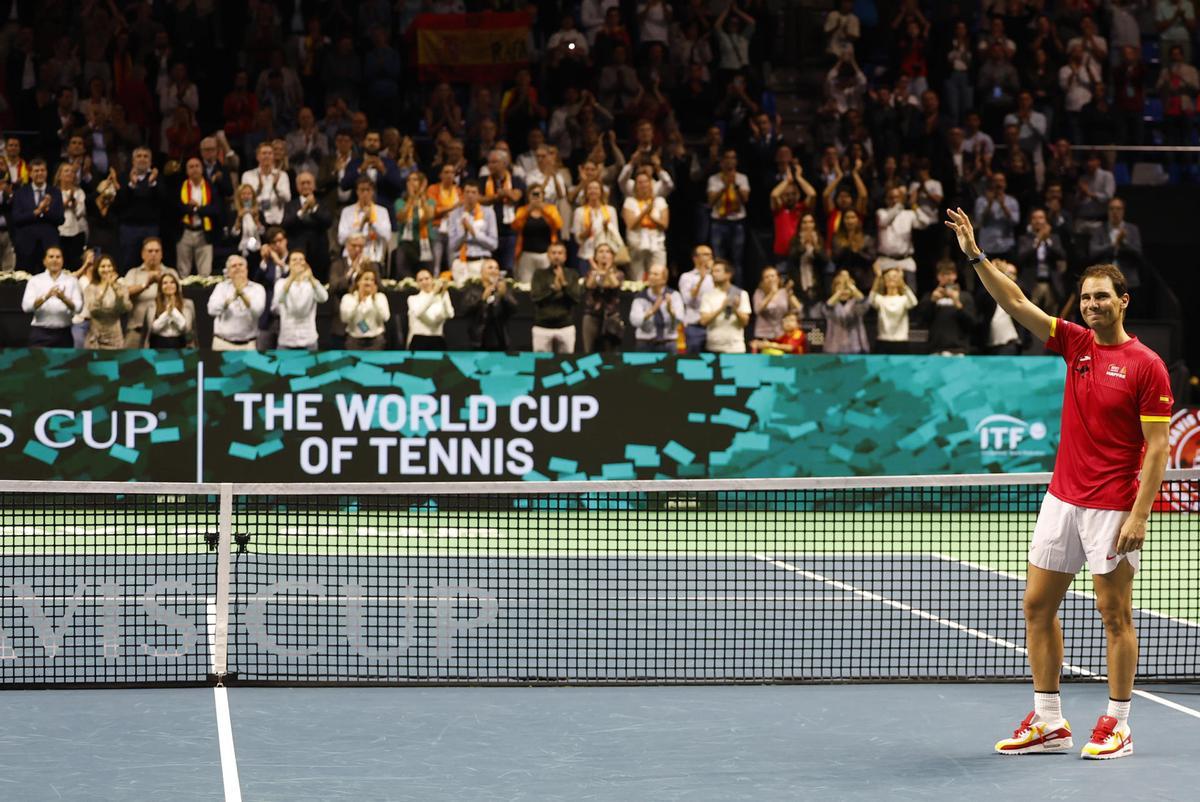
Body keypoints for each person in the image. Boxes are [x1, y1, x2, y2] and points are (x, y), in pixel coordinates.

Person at [946, 207, 1171, 760]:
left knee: (1114, 616)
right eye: (1086, 297)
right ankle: (1049, 721)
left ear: (1123, 301)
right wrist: (975, 256)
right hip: (1061, 500)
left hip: (1113, 506)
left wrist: (1140, 514)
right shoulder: (1076, 344)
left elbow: (1160, 448)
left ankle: (1117, 723)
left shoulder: (1147, 366)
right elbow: (1016, 301)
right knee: (1036, 605)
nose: (1092, 305)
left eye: (1102, 296)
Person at [123, 238, 180, 349]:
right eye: (150, 251)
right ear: (142, 254)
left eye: (157, 251)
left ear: (162, 254)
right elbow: (126, 293)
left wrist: (163, 283)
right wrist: (146, 284)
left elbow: (178, 298)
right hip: (136, 332)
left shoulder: (171, 273)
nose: (153, 254)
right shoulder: (133, 273)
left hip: (163, 334)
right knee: (130, 365)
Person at [21, 246, 82, 347]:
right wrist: (46, 297)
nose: (55, 260)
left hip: (64, 333)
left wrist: (64, 298)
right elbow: (26, 307)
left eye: (58, 257)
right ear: (44, 261)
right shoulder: (35, 280)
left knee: (66, 363)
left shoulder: (72, 281)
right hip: (40, 333)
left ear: (62, 260)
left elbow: (78, 309)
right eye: (51, 257)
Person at [706, 150, 751, 284]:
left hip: (737, 222)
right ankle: (719, 289)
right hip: (718, 222)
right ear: (721, 162)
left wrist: (735, 186)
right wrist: (725, 187)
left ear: (736, 161)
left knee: (737, 261)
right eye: (727, 158)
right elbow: (711, 202)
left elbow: (745, 199)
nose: (730, 161)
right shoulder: (714, 179)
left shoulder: (742, 178)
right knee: (719, 259)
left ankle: (737, 292)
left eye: (733, 158)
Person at [531, 241, 582, 353]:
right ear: (548, 255)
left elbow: (576, 299)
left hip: (565, 326)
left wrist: (564, 285)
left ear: (565, 256)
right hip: (542, 326)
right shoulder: (539, 274)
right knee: (541, 363)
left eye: (560, 253)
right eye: (553, 253)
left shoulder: (572, 274)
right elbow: (536, 297)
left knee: (566, 363)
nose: (556, 256)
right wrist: (553, 290)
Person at [12, 158, 64, 270]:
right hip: (26, 245)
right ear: (30, 173)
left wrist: (46, 211)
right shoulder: (20, 192)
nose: (40, 173)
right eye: (36, 171)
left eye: (42, 170)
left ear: (46, 172)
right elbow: (16, 218)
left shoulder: (55, 192)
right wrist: (36, 212)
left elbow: (60, 219)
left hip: (49, 245)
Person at [207, 255, 266, 351]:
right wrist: (229, 301)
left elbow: (258, 311)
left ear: (246, 269)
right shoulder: (221, 287)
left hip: (248, 345)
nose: (238, 268)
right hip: (222, 344)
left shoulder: (257, 288)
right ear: (228, 272)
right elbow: (212, 310)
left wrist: (242, 294)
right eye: (234, 266)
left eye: (241, 265)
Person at [915, 262, 977, 355]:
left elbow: (972, 323)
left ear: (955, 275)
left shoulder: (965, 297)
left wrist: (958, 304)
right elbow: (921, 321)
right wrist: (931, 302)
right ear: (938, 277)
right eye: (943, 274)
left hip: (959, 350)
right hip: (935, 350)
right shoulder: (929, 297)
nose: (947, 277)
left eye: (949, 274)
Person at [272, 250, 328, 351]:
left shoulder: (312, 283)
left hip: (309, 340)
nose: (298, 262)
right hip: (287, 340)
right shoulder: (281, 283)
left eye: (301, 259)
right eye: (294, 260)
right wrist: (292, 277)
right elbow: (278, 301)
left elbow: (324, 297)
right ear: (289, 264)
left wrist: (311, 278)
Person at [175, 157, 221, 278]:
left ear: (202, 169)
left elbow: (217, 209)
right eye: (191, 167)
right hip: (185, 231)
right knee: (183, 272)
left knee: (205, 272)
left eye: (197, 166)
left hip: (204, 232)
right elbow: (175, 208)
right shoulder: (179, 186)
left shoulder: (210, 187)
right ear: (186, 171)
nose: (194, 169)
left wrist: (197, 208)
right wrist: (190, 208)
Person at [459, 258, 518, 350]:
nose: (494, 271)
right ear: (482, 272)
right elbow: (464, 310)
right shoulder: (473, 290)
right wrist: (482, 298)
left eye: (496, 268)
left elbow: (514, 309)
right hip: (478, 340)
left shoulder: (503, 290)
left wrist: (504, 296)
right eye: (490, 268)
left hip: (500, 341)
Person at [447, 179, 499, 284]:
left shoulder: (489, 213)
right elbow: (452, 246)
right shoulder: (454, 215)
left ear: (479, 195)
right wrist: (464, 233)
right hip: (461, 263)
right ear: (462, 194)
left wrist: (474, 233)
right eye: (467, 192)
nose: (470, 195)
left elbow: (494, 244)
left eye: (474, 192)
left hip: (481, 262)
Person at [621, 172, 669, 282]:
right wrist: (645, 212)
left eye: (646, 182)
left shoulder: (660, 201)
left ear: (650, 184)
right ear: (635, 186)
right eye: (639, 182)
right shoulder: (629, 202)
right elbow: (631, 224)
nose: (643, 185)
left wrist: (651, 217)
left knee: (659, 275)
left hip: (657, 244)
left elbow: (664, 225)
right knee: (638, 279)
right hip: (636, 245)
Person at [511, 185, 563, 284]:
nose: (536, 197)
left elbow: (558, 224)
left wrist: (544, 209)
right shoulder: (522, 210)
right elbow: (515, 226)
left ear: (543, 196)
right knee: (525, 284)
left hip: (546, 254)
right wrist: (528, 210)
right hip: (526, 254)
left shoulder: (550, 209)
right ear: (528, 196)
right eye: (533, 194)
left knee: (547, 283)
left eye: (538, 194)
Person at [581, 242, 626, 354]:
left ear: (612, 256)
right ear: (595, 256)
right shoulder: (590, 273)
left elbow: (614, 284)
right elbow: (589, 285)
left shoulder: (618, 274)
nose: (604, 254)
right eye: (601, 251)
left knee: (611, 352)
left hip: (611, 317)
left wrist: (608, 270)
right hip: (592, 316)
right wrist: (597, 271)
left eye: (607, 252)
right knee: (590, 351)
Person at [699, 258, 751, 354]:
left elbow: (745, 322)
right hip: (713, 347)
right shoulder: (708, 295)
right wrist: (721, 308)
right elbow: (703, 321)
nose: (713, 274)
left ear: (728, 274)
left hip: (736, 348)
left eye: (717, 271)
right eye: (712, 271)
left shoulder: (741, 294)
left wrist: (735, 309)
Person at [338, 176, 392, 266]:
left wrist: (373, 222)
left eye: (368, 190)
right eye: (362, 190)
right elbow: (341, 239)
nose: (365, 193)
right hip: (351, 257)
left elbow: (387, 237)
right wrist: (362, 225)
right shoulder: (347, 211)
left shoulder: (382, 211)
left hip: (374, 257)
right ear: (357, 192)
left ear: (373, 192)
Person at [630, 263, 684, 353]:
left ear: (664, 279)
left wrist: (671, 311)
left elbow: (680, 319)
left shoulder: (673, 295)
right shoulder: (640, 297)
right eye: (650, 273)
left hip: (668, 344)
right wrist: (652, 311)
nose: (651, 277)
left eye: (655, 274)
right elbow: (635, 321)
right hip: (645, 344)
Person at [393, 171, 436, 280]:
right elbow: (401, 217)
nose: (411, 183)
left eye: (415, 180)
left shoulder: (430, 201)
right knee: (404, 277)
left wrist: (421, 196)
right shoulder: (400, 202)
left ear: (421, 183)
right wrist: (411, 199)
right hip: (406, 245)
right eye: (409, 180)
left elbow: (429, 216)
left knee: (427, 275)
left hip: (425, 245)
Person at [81, 253, 130, 349]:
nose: (106, 269)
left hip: (115, 338)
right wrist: (105, 286)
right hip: (96, 338)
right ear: (97, 269)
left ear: (113, 268)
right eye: (103, 266)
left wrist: (116, 291)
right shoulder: (90, 288)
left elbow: (125, 308)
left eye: (109, 266)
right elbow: (92, 308)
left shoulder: (120, 287)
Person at [867, 267, 918, 354]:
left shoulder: (904, 299)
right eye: (888, 276)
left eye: (894, 276)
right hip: (883, 340)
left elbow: (914, 302)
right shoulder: (881, 299)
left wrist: (902, 282)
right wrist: (878, 277)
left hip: (900, 341)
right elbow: (871, 300)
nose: (891, 278)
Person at [819, 269, 870, 354]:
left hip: (855, 348)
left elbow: (863, 302)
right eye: (839, 288)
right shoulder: (831, 303)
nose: (843, 291)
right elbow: (827, 309)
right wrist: (839, 291)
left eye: (847, 289)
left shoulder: (856, 303)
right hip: (833, 348)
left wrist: (851, 287)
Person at [340, 267, 391, 350]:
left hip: (376, 341)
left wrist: (375, 301)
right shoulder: (348, 298)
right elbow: (345, 319)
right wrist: (358, 302)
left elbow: (385, 317)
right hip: (354, 341)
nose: (369, 282)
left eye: (372, 280)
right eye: (366, 279)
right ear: (358, 282)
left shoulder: (380, 297)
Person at [678, 244, 716, 355]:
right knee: (694, 360)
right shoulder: (687, 277)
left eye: (709, 254)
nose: (708, 257)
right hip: (694, 326)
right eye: (704, 254)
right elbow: (687, 300)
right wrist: (701, 279)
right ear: (695, 258)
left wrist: (712, 273)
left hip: (714, 325)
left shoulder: (716, 277)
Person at [140, 272, 195, 348]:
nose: (169, 285)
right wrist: (167, 313)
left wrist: (173, 311)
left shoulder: (187, 304)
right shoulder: (152, 305)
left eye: (172, 282)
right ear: (160, 287)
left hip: (180, 343)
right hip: (158, 343)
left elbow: (185, 328)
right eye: (165, 283)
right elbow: (153, 329)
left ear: (177, 285)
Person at [406, 267, 454, 350]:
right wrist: (433, 294)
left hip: (437, 340)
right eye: (420, 280)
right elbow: (419, 313)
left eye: (427, 278)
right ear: (417, 283)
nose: (424, 282)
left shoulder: (441, 297)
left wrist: (444, 295)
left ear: (432, 280)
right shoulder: (413, 299)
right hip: (418, 341)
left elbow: (450, 314)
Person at [752, 266, 802, 344]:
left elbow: (799, 309)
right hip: (764, 336)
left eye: (772, 276)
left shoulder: (783, 292)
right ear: (763, 281)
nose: (770, 279)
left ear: (778, 278)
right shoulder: (759, 293)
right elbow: (757, 310)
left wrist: (790, 295)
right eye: (767, 277)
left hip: (782, 335)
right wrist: (772, 293)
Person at [53, 162, 87, 270]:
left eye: (72, 171)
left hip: (76, 233)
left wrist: (74, 202)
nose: (70, 173)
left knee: (75, 264)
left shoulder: (79, 192)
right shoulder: (54, 192)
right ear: (59, 175)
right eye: (66, 171)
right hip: (59, 233)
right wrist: (65, 203)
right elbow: (53, 212)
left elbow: (80, 213)